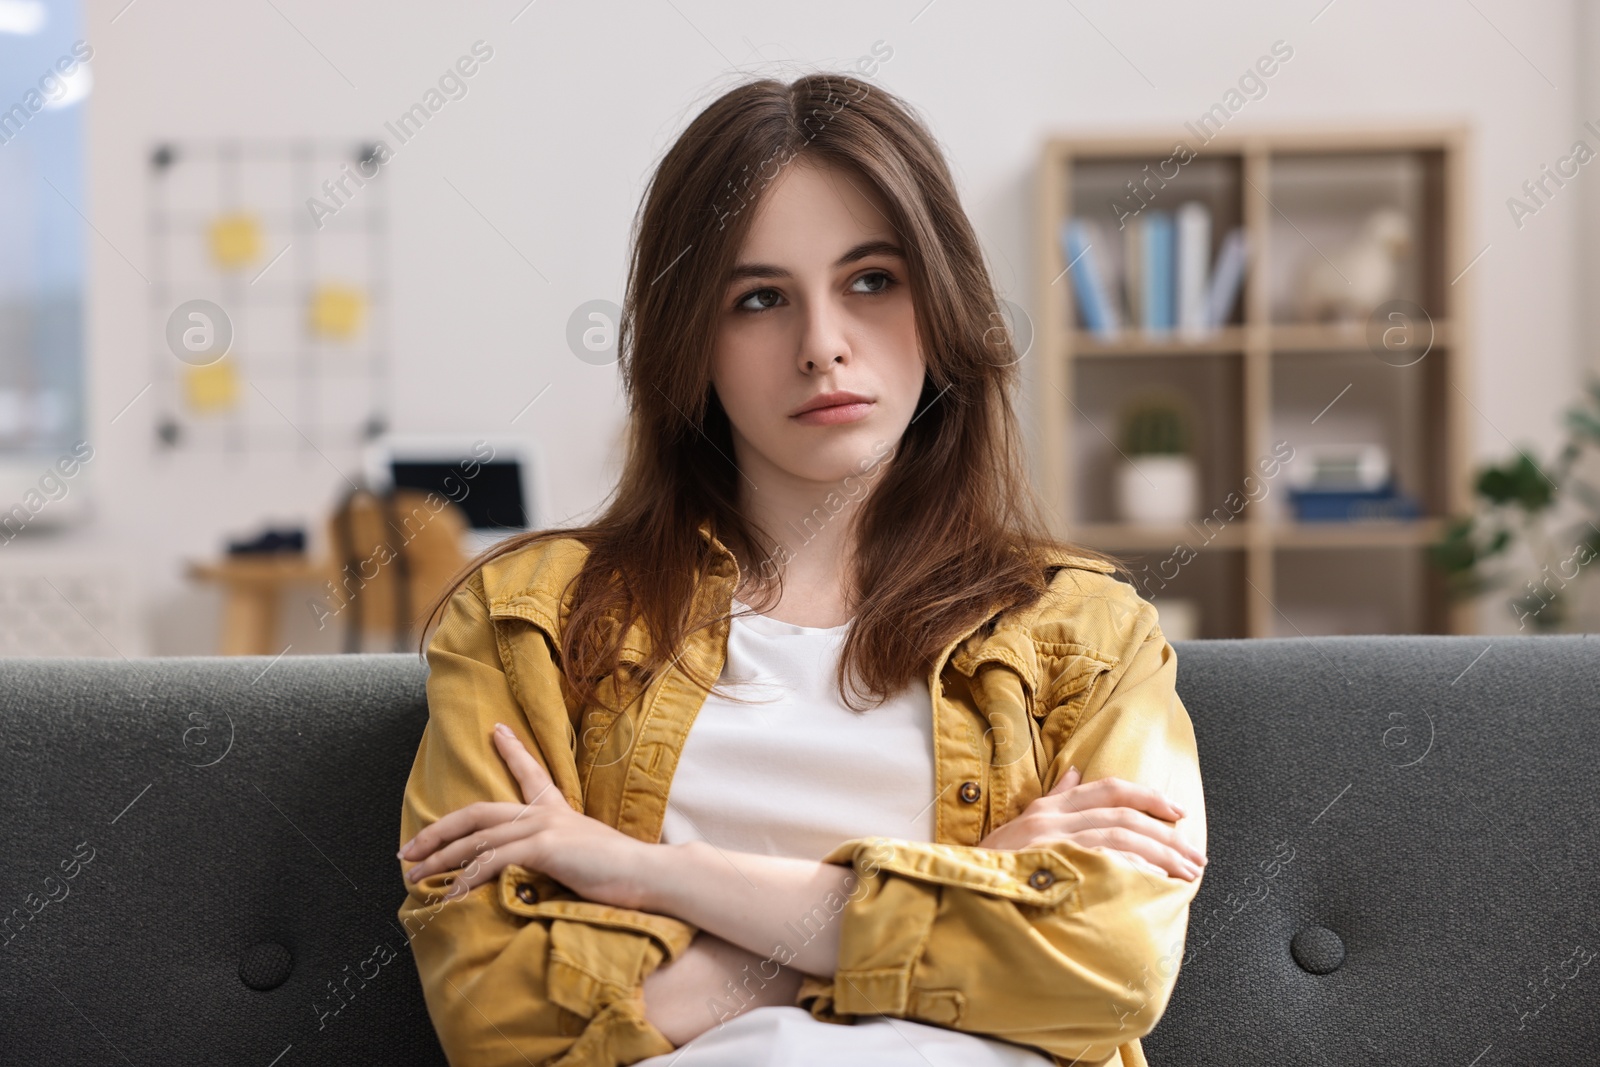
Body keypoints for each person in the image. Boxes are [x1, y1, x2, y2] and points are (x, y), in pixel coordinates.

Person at [395, 71, 1207, 1067]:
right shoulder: (526, 620)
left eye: (871, 280)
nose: (822, 345)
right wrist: (958, 885)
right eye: (758, 298)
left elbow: (1111, 967)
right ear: (691, 339)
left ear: (940, 301)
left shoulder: (1089, 631)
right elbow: (495, 1013)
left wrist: (653, 873)